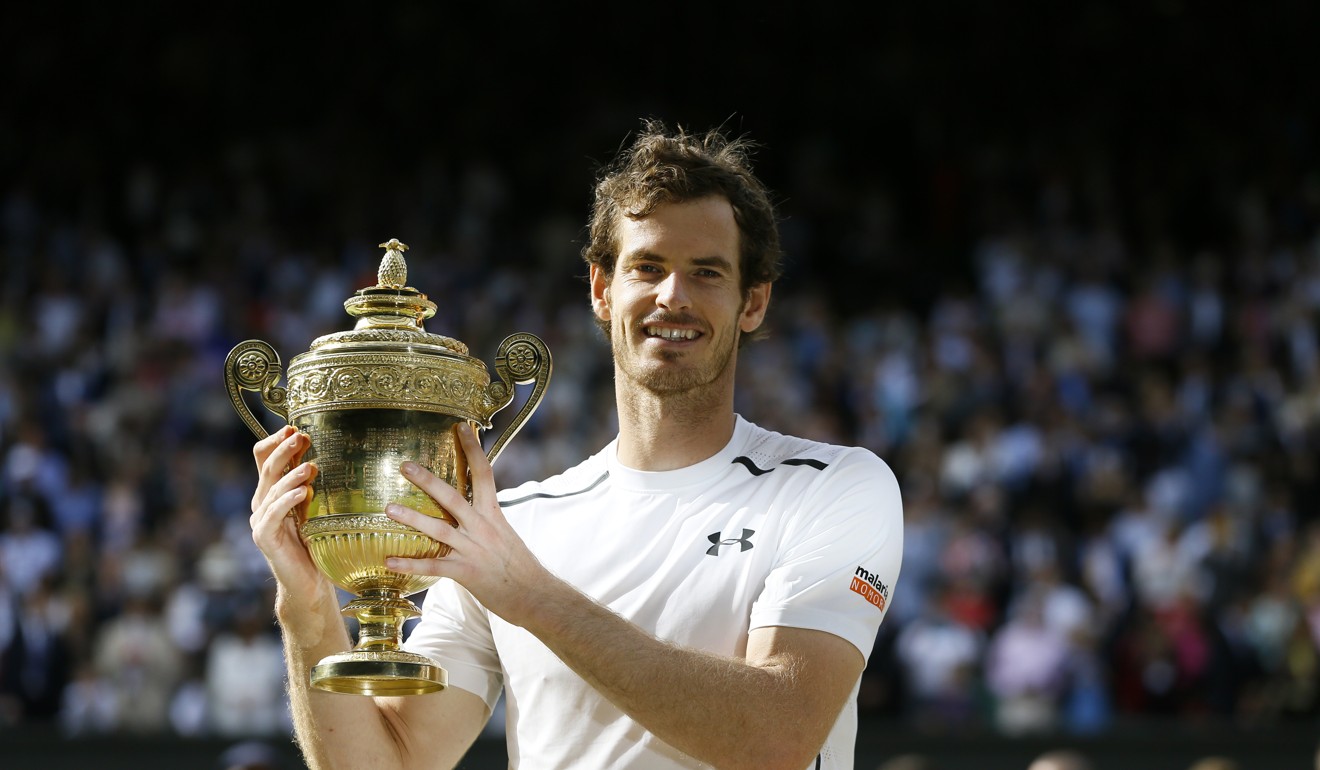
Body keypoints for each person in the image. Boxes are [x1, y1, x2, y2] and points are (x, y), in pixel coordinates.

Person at [247, 119, 904, 770]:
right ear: (601, 289)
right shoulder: (512, 531)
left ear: (753, 302)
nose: (672, 295)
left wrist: (533, 598)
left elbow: (777, 738)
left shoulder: (834, 486)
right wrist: (306, 611)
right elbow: (388, 766)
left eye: (706, 272)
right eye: (647, 267)